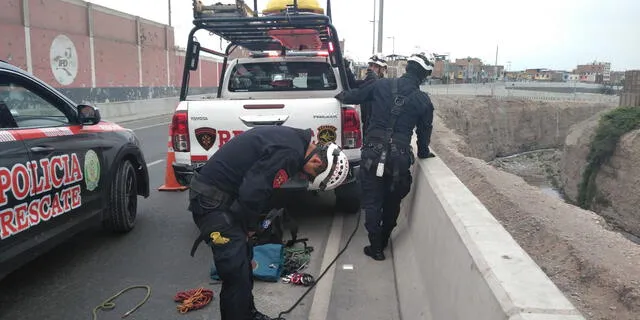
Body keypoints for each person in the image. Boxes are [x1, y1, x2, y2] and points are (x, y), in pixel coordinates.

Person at [187, 126, 350, 320]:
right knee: (235, 272)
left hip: (225, 198)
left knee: (244, 260)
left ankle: (248, 314)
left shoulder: (295, 142)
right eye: (312, 175)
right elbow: (252, 191)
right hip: (211, 203)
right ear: (316, 159)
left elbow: (260, 187)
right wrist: (249, 227)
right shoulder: (289, 153)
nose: (307, 177)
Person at [334, 53, 436, 261]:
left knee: (372, 201)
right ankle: (383, 240)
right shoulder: (423, 101)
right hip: (398, 158)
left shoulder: (381, 85)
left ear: (407, 68)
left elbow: (354, 96)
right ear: (425, 75)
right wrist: (424, 153)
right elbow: (424, 134)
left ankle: (375, 247)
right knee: (392, 201)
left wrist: (337, 96)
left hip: (372, 153)